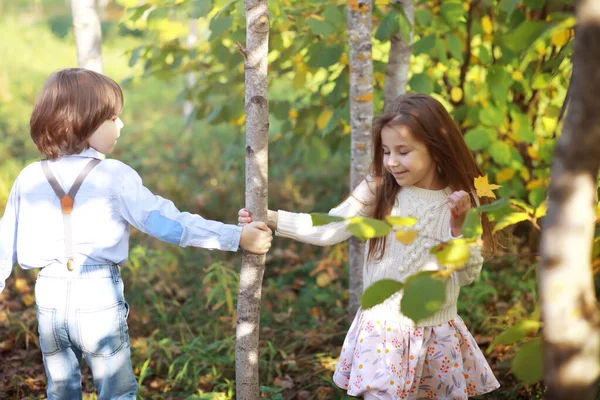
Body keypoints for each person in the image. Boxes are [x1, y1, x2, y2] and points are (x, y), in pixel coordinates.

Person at [0, 68, 273, 399]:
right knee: (117, 392)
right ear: (83, 121)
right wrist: (235, 237)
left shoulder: (29, 177)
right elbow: (167, 223)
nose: (121, 125)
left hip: (49, 297)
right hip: (97, 294)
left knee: (60, 390)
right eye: (113, 117)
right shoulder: (113, 175)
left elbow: (4, 240)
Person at [239, 93, 500, 399]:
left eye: (403, 152)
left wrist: (459, 225)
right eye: (386, 151)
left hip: (436, 335)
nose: (391, 162)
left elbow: (468, 275)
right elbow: (332, 226)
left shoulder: (461, 199)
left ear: (436, 149)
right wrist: (270, 217)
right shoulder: (380, 189)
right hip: (384, 332)